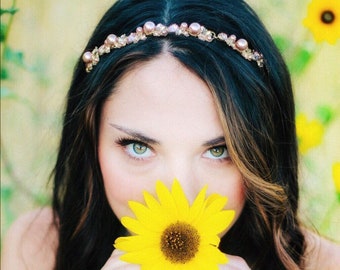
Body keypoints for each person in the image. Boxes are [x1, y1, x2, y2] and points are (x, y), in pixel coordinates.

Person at [1, 0, 339, 269]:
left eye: (219, 151)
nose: (178, 196)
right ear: (89, 136)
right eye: (138, 147)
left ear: (264, 150)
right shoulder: (38, 249)